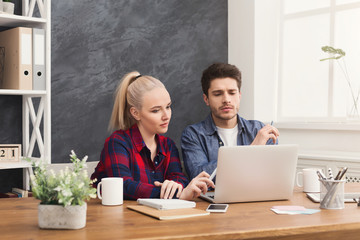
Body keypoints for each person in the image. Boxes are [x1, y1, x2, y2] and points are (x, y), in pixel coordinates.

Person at [91, 71, 214, 200]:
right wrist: (170, 193)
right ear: (135, 113)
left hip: (154, 216)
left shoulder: (168, 145)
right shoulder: (117, 143)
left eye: (168, 107)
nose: (166, 116)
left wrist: (174, 186)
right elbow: (123, 186)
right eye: (156, 110)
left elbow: (179, 177)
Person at [181, 63, 280, 180]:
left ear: (239, 95)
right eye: (218, 94)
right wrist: (253, 150)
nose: (226, 100)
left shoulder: (259, 130)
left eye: (232, 93)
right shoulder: (193, 135)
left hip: (257, 196)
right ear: (206, 99)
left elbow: (271, 176)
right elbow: (200, 178)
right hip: (216, 197)